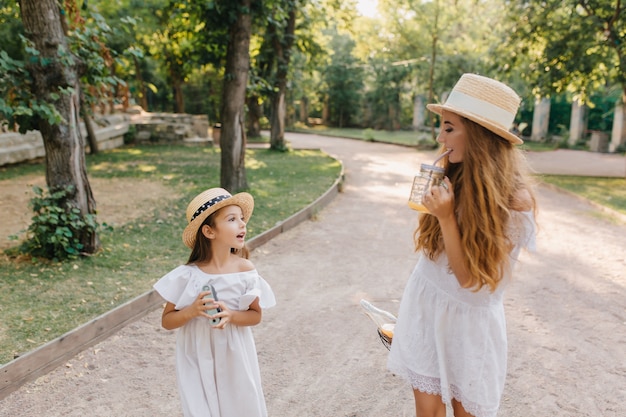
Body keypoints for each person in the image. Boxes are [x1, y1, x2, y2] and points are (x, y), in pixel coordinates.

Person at [387, 73, 537, 417]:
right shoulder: (453, 173)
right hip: (426, 303)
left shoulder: (514, 204)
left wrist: (447, 217)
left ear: (480, 135)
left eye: (449, 127)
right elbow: (434, 257)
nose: (440, 137)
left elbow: (471, 282)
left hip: (469, 326)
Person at [153, 187, 276, 417]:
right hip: (196, 357)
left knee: (240, 406)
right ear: (209, 231)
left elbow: (255, 315)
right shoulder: (188, 275)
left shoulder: (245, 271)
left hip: (235, 356)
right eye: (232, 219)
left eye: (242, 218)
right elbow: (167, 321)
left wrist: (231, 315)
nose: (242, 224)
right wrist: (192, 310)